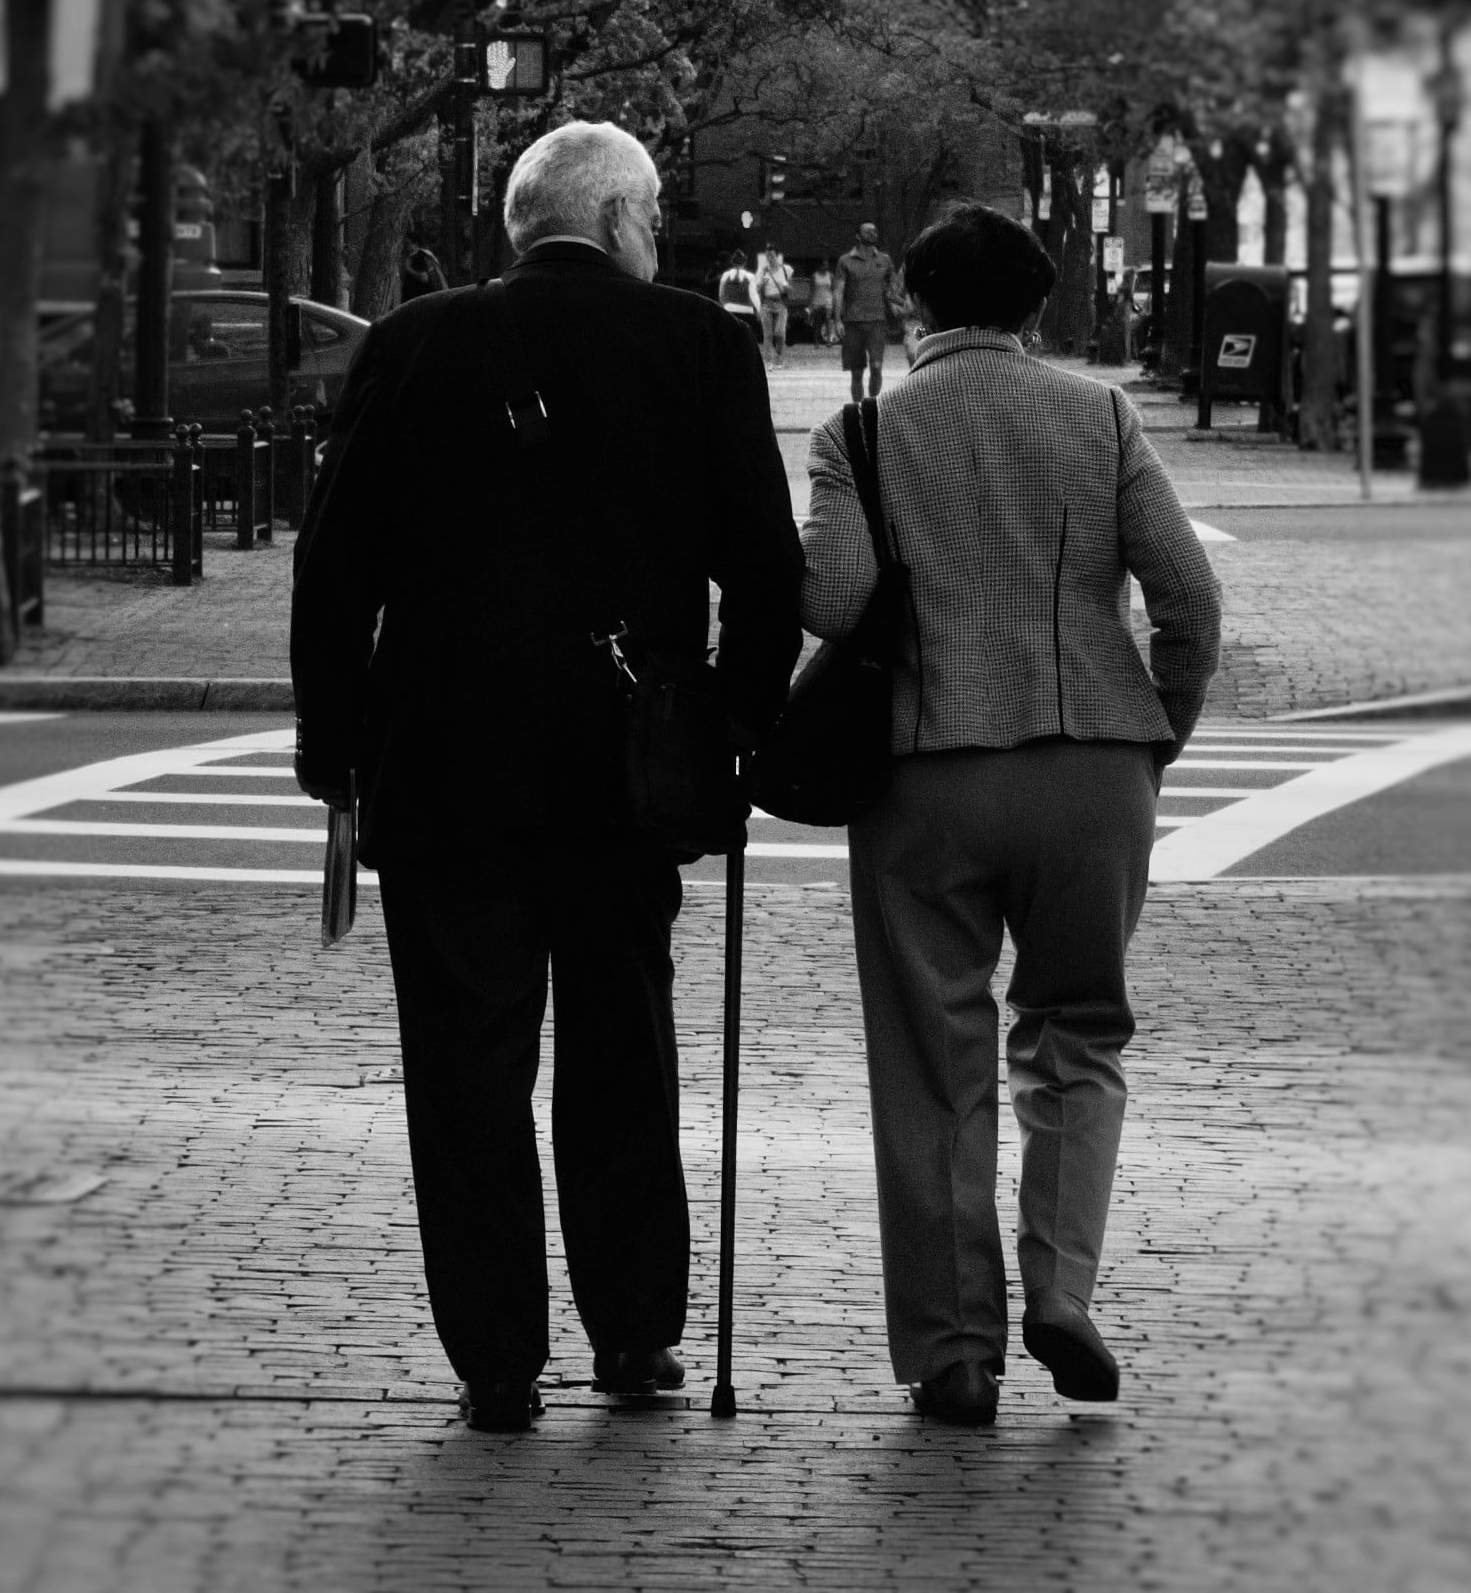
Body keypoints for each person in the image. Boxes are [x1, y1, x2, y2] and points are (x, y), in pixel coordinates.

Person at [291, 121, 800, 1435]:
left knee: (465, 1073)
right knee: (622, 1054)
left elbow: (334, 569)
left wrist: (335, 749)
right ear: (625, 220)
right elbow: (762, 564)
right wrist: (734, 725)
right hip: (629, 767)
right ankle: (634, 1334)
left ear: (523, 226)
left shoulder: (410, 346)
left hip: (448, 767)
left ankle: (497, 1357)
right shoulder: (700, 345)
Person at [796, 202, 1224, 1429]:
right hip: (1093, 766)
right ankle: (1061, 1290)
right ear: (1036, 309)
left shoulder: (866, 429)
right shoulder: (1097, 413)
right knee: (1080, 1035)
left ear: (913, 304)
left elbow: (832, 600)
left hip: (929, 769)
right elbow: (1189, 597)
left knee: (933, 1064)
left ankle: (953, 1353)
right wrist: (1157, 739)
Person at [835, 224, 900, 394]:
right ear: (858, 235)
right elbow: (838, 291)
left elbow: (893, 288)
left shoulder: (885, 260)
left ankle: (872, 405)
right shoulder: (845, 261)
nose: (873, 233)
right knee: (856, 372)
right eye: (867, 231)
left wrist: (899, 301)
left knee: (876, 366)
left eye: (875, 231)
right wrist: (836, 320)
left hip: (877, 321)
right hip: (852, 322)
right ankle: (858, 409)